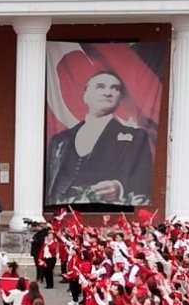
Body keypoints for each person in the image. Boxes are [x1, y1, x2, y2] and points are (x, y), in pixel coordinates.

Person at [45, 70, 153, 206]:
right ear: (85, 96)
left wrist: (119, 188)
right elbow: (48, 180)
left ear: (120, 98)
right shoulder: (60, 140)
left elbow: (143, 177)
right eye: (100, 87)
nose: (108, 93)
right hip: (61, 211)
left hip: (105, 212)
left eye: (115, 88)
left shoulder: (136, 137)